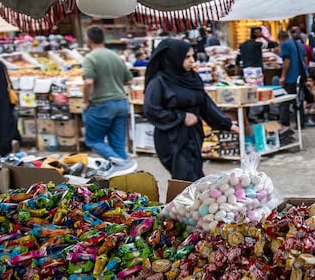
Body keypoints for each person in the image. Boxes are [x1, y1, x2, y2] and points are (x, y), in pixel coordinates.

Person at [143, 39, 238, 181]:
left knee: (192, 174)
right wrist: (181, 117)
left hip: (193, 135)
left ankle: (189, 202)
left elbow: (205, 103)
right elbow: (152, 110)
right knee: (186, 178)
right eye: (187, 57)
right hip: (172, 138)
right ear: (174, 57)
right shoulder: (159, 82)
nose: (192, 61)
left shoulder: (192, 77)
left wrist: (227, 124)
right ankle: (186, 202)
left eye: (192, 56)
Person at [82, 26, 135, 172]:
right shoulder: (116, 57)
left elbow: (88, 82)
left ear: (89, 39)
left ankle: (122, 166)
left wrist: (86, 101)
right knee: (118, 143)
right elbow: (128, 80)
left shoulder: (90, 58)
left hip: (101, 104)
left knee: (94, 140)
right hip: (121, 102)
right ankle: (126, 176)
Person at [278, 28, 309, 128]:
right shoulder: (299, 44)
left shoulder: (284, 45)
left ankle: (284, 123)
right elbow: (305, 59)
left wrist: (283, 76)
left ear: (280, 38)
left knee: (285, 100)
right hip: (301, 75)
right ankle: (301, 123)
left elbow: (287, 61)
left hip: (291, 76)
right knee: (299, 100)